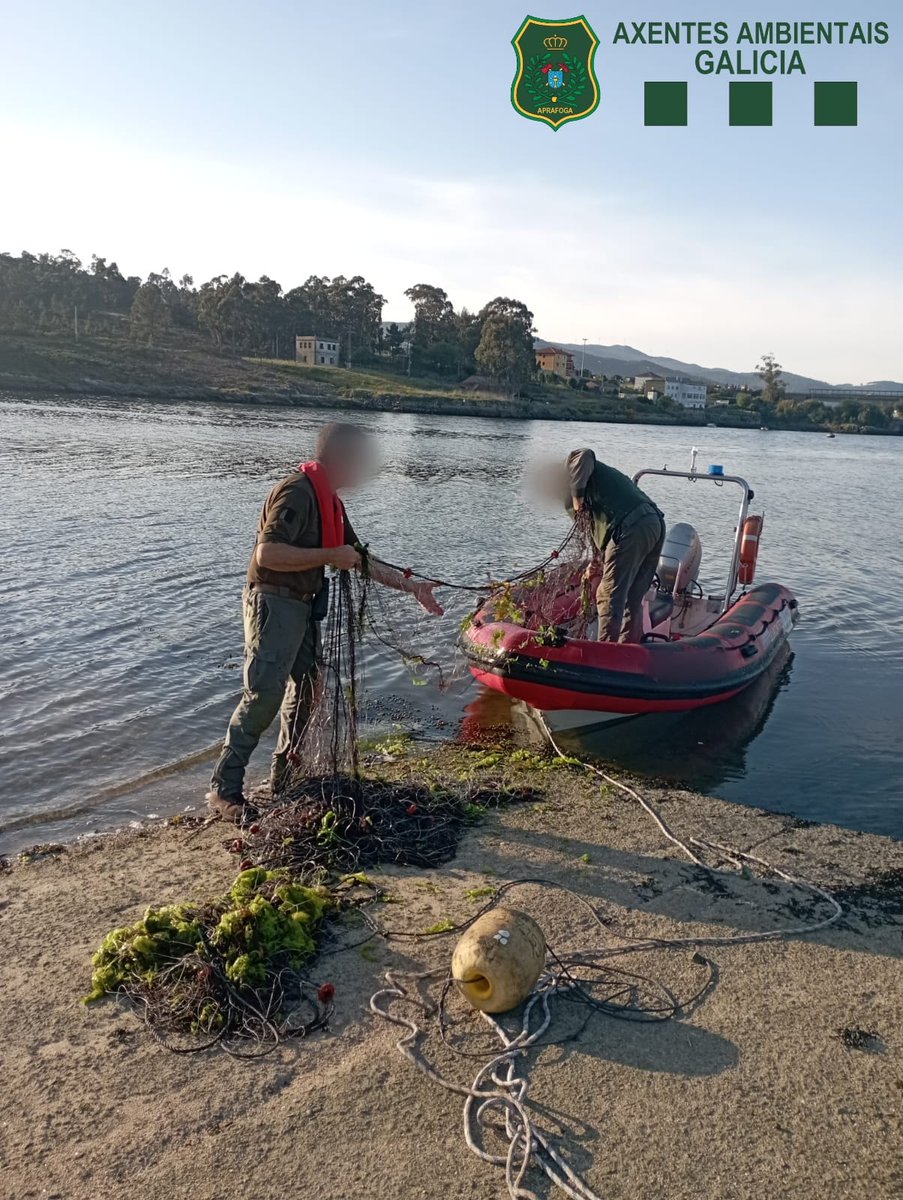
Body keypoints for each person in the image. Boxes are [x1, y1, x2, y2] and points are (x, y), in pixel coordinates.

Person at [207, 422, 443, 822]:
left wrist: (412, 587)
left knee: (310, 686)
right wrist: (329, 556)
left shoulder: (331, 501)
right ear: (342, 458)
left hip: (303, 605)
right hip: (272, 601)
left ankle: (285, 776)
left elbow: (356, 556)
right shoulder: (296, 491)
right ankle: (224, 790)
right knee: (263, 696)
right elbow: (268, 555)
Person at [565, 448, 665, 644]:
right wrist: (595, 560)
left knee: (609, 595)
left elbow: (584, 454)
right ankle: (627, 652)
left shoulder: (571, 471)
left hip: (630, 527)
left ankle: (604, 653)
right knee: (632, 598)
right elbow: (594, 530)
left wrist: (577, 498)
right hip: (653, 524)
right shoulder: (595, 486)